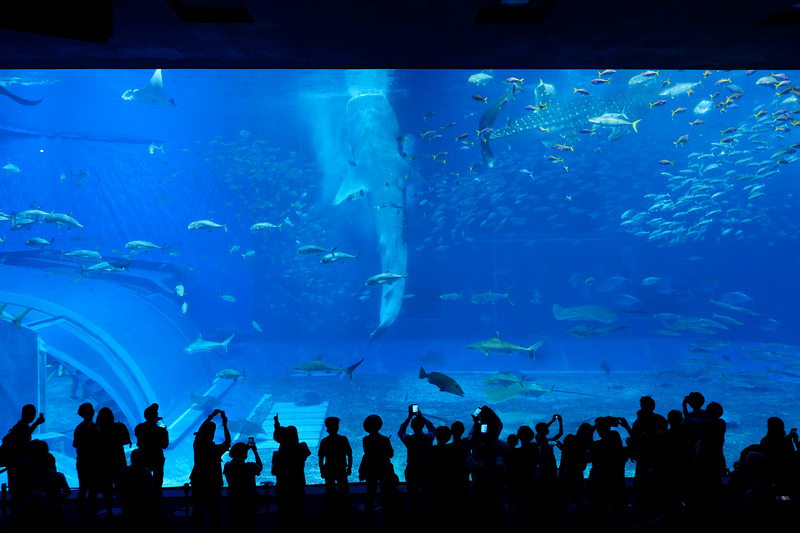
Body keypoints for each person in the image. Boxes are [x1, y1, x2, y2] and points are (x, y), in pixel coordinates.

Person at [189, 409, 231, 533]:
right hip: (213, 483)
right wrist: (225, 424)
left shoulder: (197, 445)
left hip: (198, 481)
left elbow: (202, 431)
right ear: (212, 435)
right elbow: (227, 441)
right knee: (214, 511)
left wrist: (211, 417)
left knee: (197, 510)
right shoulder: (215, 450)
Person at [2, 403, 45, 514]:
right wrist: (36, 423)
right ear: (29, 414)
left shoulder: (21, 426)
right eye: (33, 414)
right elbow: (22, 438)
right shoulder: (21, 427)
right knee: (18, 492)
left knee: (18, 492)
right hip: (17, 465)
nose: (34, 416)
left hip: (16, 464)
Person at [272, 415, 310, 533]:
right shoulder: (302, 448)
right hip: (297, 486)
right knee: (299, 515)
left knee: (285, 517)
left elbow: (274, 472)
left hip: (283, 488)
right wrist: (277, 425)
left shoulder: (277, 455)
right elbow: (287, 441)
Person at [398, 404, 435, 512]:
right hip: (426, 469)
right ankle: (429, 513)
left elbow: (401, 432)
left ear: (412, 427)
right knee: (428, 493)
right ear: (423, 426)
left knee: (412, 494)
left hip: (412, 469)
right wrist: (421, 416)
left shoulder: (409, 439)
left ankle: (415, 513)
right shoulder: (429, 438)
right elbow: (432, 427)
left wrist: (409, 417)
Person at [96, 406, 132, 518]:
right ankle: (126, 510)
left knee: (106, 489)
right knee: (122, 487)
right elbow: (127, 441)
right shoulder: (119, 426)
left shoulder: (97, 429)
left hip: (104, 462)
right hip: (118, 461)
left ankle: (109, 511)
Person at [134, 403, 169, 512]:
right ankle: (157, 509)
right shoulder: (161, 430)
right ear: (155, 416)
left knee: (144, 485)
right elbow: (165, 445)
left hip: (144, 460)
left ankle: (145, 509)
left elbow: (138, 442)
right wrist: (164, 431)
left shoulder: (139, 428)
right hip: (157, 459)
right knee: (157, 485)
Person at [73, 402, 103, 522]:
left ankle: (81, 514)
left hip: (81, 462)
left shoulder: (78, 428)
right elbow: (100, 446)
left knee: (82, 488)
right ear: (92, 413)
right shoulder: (96, 428)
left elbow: (75, 445)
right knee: (93, 490)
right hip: (94, 463)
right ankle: (91, 514)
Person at [224, 441, 262, 533]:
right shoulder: (250, 467)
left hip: (233, 499)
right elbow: (259, 467)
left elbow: (235, 461)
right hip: (249, 500)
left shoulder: (228, 466)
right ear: (243, 453)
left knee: (234, 525)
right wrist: (255, 452)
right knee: (248, 525)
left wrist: (242, 449)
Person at [318, 416, 353, 514]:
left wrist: (322, 470)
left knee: (330, 490)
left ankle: (330, 511)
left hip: (329, 468)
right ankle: (347, 511)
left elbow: (321, 457)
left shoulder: (324, 441)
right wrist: (349, 467)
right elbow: (349, 454)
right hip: (341, 468)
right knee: (344, 491)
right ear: (337, 427)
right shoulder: (343, 439)